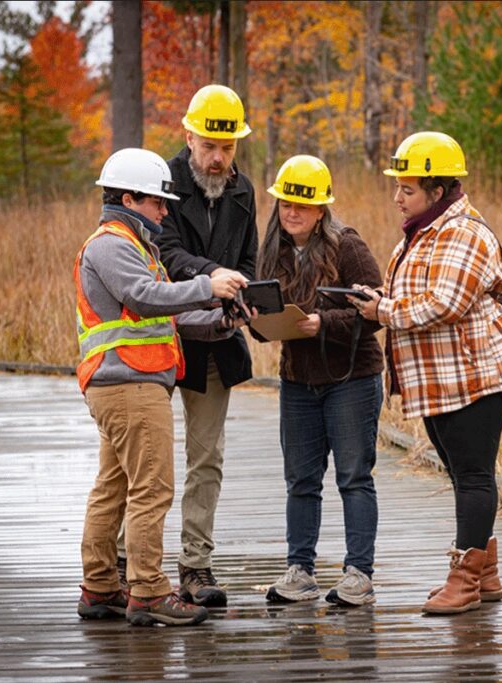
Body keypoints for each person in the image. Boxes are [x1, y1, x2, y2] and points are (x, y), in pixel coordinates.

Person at [354, 131, 502, 614]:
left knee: (474, 476)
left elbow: (446, 303)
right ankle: (487, 575)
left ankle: (464, 578)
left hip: (479, 376)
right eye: (398, 187)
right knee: (463, 474)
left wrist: (382, 312)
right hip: (445, 377)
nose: (397, 197)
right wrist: (380, 302)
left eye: (408, 189)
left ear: (438, 190)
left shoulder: (463, 232)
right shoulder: (427, 230)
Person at [75, 148, 248, 626]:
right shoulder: (112, 244)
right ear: (129, 199)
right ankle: (149, 590)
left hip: (126, 382)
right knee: (152, 488)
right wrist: (207, 285)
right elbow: (146, 298)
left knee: (113, 488)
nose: (165, 212)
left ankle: (101, 587)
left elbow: (164, 313)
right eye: (157, 203)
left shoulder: (134, 245)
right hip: (130, 384)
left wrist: (221, 320)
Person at [116, 84, 258, 607]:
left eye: (228, 148)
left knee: (207, 459)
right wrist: (213, 278)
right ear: (189, 135)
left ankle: (195, 566)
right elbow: (166, 253)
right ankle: (126, 564)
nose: (218, 159)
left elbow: (248, 263)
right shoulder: (161, 182)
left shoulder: (243, 192)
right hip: (158, 341)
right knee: (140, 462)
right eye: (209, 147)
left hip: (215, 344)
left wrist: (242, 291)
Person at [255, 155, 384, 606]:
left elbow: (375, 311)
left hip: (351, 377)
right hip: (298, 380)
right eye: (286, 203)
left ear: (321, 209)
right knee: (301, 480)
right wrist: (259, 321)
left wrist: (322, 323)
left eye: (302, 206)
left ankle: (359, 574)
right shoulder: (271, 249)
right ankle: (300, 570)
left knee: (353, 476)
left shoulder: (347, 246)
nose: (292, 212)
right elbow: (265, 313)